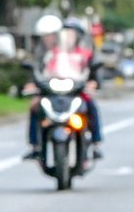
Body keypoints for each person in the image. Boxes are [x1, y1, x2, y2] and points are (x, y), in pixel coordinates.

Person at [24, 13, 103, 160]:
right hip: (52, 91)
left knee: (91, 106)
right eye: (67, 33)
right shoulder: (52, 54)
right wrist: (33, 84)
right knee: (35, 107)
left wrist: (93, 82)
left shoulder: (84, 54)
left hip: (76, 91)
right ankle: (35, 145)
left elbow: (93, 72)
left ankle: (96, 143)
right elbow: (41, 71)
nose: (69, 37)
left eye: (73, 34)